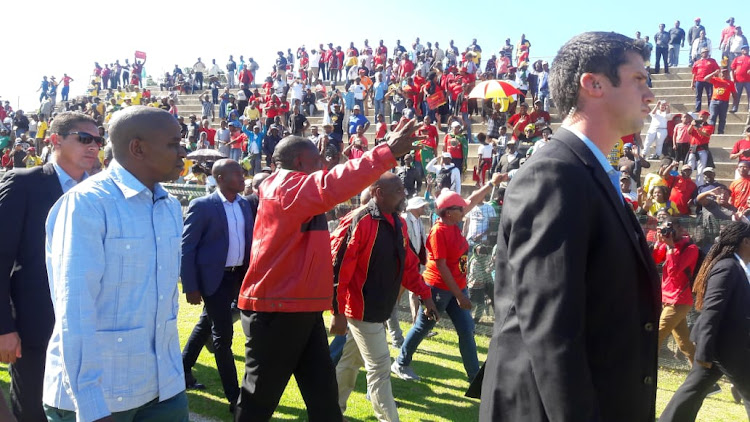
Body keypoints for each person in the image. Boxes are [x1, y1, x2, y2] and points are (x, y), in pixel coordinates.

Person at [477, 32, 661, 421]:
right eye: (639, 79)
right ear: (593, 84)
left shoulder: (588, 171)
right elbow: (551, 329)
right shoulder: (554, 174)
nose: (649, 94)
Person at [233, 119, 424, 421]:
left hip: (299, 308)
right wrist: (384, 152)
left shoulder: (292, 189)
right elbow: (333, 184)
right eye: (317, 160)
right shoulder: (286, 185)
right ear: (299, 162)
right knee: (259, 402)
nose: (323, 165)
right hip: (278, 309)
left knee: (324, 400)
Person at [43, 106, 189, 421]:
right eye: (173, 143)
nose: (183, 151)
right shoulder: (88, 204)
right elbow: (75, 308)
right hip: (99, 398)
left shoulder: (170, 207)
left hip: (164, 387)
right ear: (137, 148)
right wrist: (91, 405)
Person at [0, 112, 100, 421]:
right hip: (36, 326)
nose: (94, 146)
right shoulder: (23, 183)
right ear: (54, 140)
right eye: (84, 139)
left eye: (98, 140)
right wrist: (4, 327)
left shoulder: (100, 191)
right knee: (34, 410)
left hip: (92, 325)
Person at [331, 173, 438, 422]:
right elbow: (338, 269)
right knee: (380, 366)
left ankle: (331, 411)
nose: (404, 194)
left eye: (403, 189)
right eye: (398, 190)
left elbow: (409, 266)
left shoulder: (397, 223)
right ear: (379, 193)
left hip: (379, 309)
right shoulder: (359, 221)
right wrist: (337, 312)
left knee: (350, 361)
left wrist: (426, 296)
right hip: (361, 309)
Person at [391, 177, 502, 383]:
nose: (465, 209)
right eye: (460, 208)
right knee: (423, 327)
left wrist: (492, 183)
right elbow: (442, 267)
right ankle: (401, 363)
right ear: (449, 212)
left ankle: (474, 376)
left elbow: (473, 200)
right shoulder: (439, 231)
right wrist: (460, 296)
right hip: (437, 289)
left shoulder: (454, 221)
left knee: (466, 330)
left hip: (456, 289)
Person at [180, 159, 253, 413]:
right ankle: (235, 399)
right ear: (220, 178)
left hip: (238, 278)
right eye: (237, 173)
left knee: (205, 324)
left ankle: (182, 369)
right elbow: (188, 247)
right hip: (214, 279)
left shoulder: (245, 204)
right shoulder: (202, 206)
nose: (243, 177)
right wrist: (190, 285)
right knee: (223, 336)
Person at [660, 221, 750, 421]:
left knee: (693, 389)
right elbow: (712, 311)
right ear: (745, 241)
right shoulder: (727, 267)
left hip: (727, 345)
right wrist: (703, 351)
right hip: (723, 346)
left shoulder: (739, 266)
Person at [651, 217, 698, 365]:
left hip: (679, 300)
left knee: (656, 335)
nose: (668, 233)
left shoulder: (690, 248)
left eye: (671, 229)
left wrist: (670, 248)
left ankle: (645, 367)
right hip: (667, 299)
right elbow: (654, 260)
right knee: (685, 344)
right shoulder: (668, 245)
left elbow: (674, 272)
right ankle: (704, 374)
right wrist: (660, 242)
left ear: (682, 229)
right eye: (665, 229)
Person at [705, 67, 736, 134]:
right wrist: (714, 73)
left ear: (728, 74)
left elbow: (734, 94)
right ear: (720, 73)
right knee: (712, 117)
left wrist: (734, 104)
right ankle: (711, 132)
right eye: (722, 72)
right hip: (714, 101)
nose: (724, 74)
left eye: (725, 72)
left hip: (724, 102)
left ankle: (720, 132)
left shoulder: (730, 83)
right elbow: (705, 79)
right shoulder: (716, 79)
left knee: (722, 118)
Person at [692, 48, 719, 112]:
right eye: (704, 52)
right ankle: (697, 109)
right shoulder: (697, 62)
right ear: (701, 54)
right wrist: (692, 83)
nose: (705, 53)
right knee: (698, 95)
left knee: (710, 95)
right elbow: (694, 73)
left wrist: (716, 81)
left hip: (709, 81)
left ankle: (710, 109)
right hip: (699, 80)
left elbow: (717, 71)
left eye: (706, 52)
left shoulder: (712, 61)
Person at [731, 45, 750, 114]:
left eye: (747, 49)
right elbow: (732, 68)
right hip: (738, 80)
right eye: (744, 49)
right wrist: (733, 78)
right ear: (741, 50)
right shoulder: (737, 58)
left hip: (748, 80)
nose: (746, 50)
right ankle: (734, 108)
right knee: (736, 95)